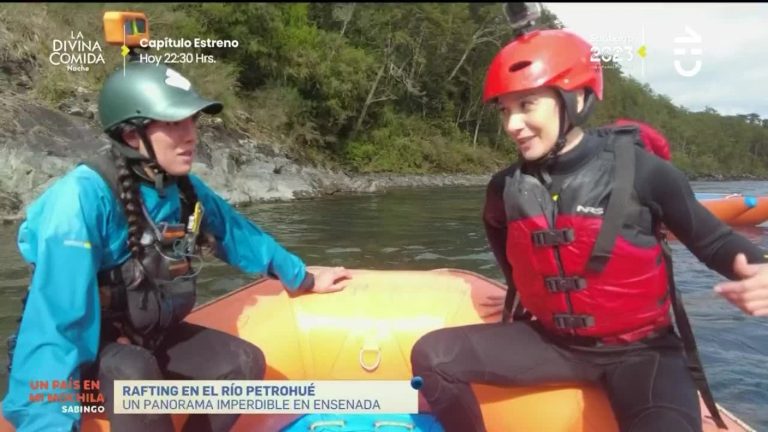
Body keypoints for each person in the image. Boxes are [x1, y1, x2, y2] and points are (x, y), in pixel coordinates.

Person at [410, 13, 768, 432]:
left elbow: (714, 243)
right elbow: (499, 232)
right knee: (433, 357)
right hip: (550, 342)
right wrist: (521, 290)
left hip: (643, 353)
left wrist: (760, 268)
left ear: (576, 99)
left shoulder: (644, 172)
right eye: (505, 110)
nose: (512, 125)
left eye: (526, 105)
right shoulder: (504, 187)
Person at [2, 61, 351, 432]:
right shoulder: (80, 200)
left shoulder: (181, 188)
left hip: (148, 336)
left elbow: (238, 234)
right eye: (173, 123)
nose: (191, 135)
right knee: (135, 375)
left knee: (241, 363)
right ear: (132, 135)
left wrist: (302, 278)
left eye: (193, 122)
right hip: (90, 356)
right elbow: (55, 327)